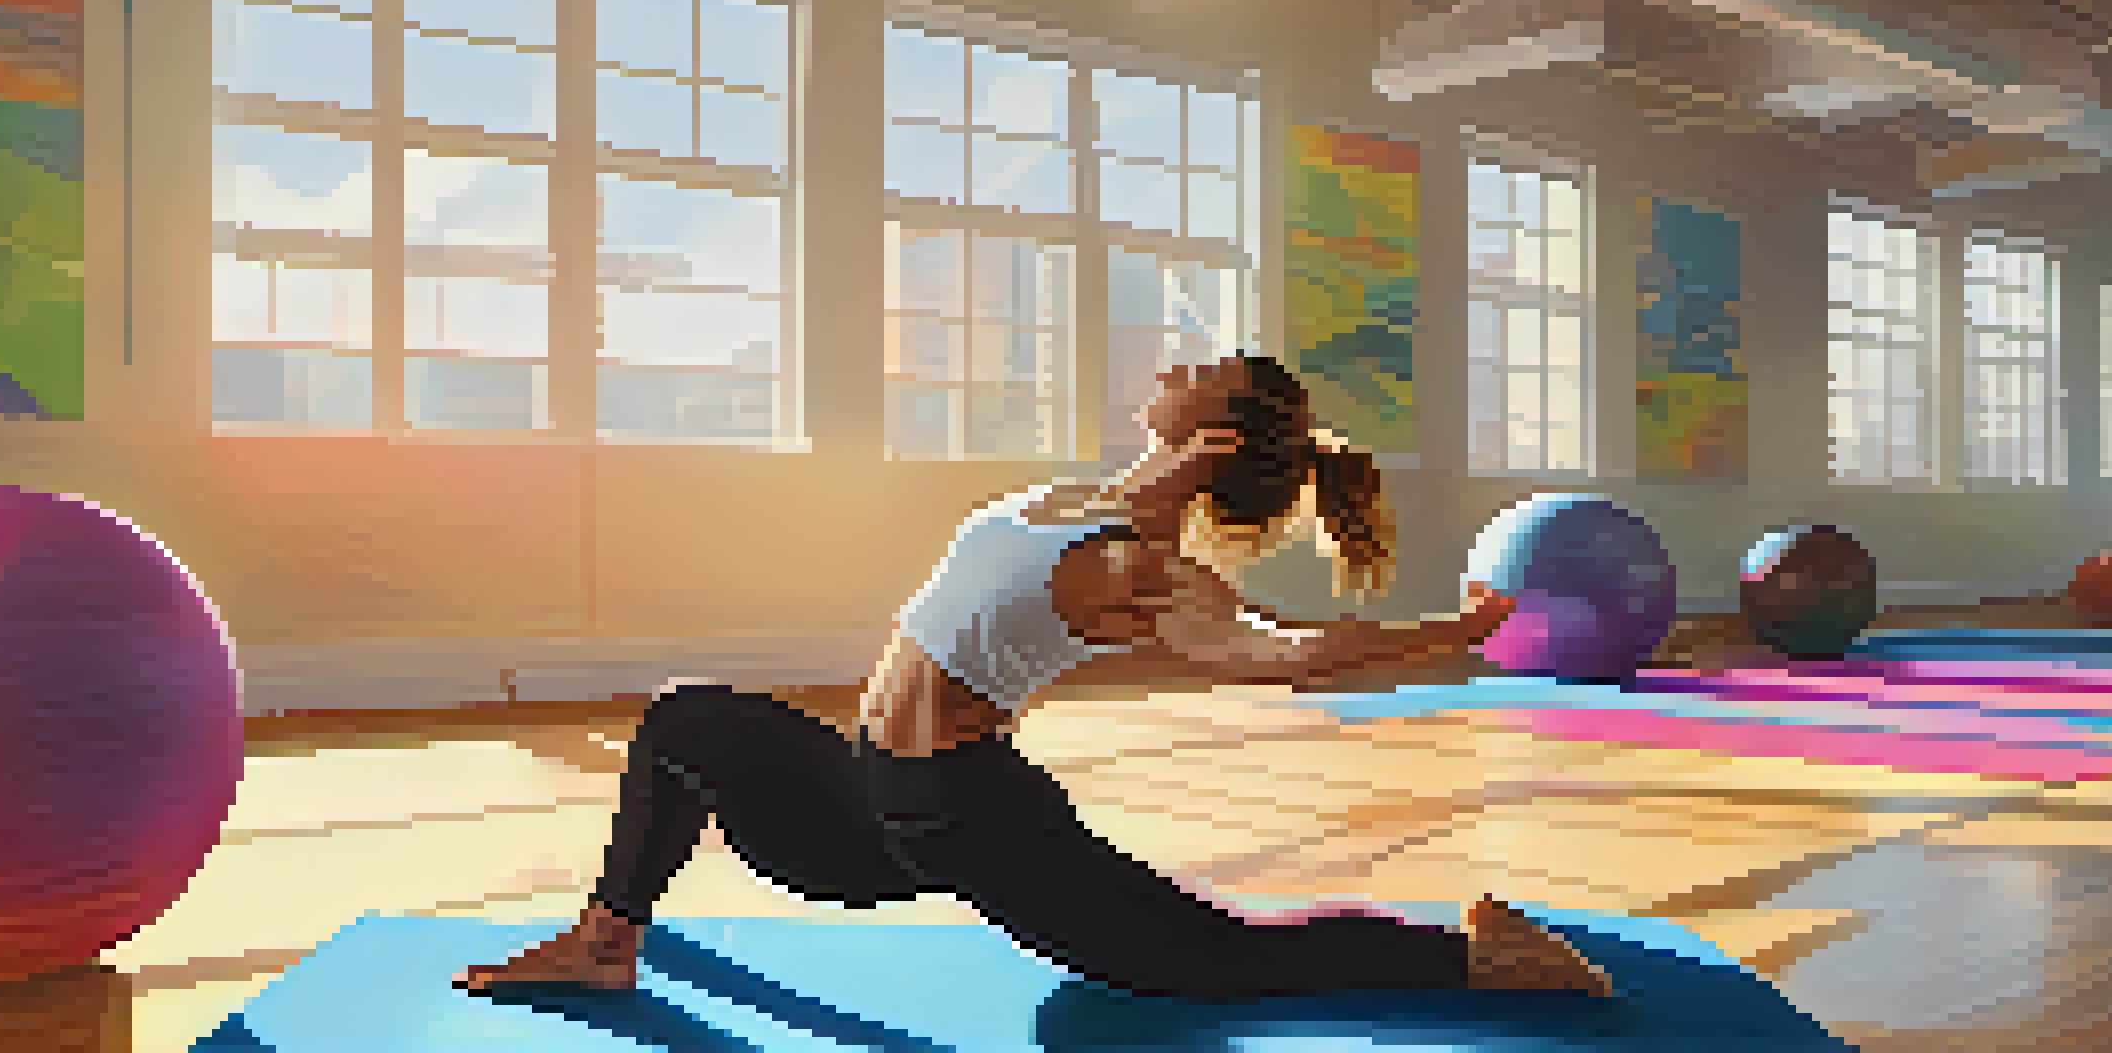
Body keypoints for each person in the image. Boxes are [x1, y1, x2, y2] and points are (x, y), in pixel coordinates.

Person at [456, 354, 1613, 1001]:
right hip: (867, 792)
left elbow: (1295, 654)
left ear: (1214, 438)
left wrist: (1456, 632)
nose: (1175, 362)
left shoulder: (1144, 574)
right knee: (684, 721)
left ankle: (1483, 958)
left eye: (1201, 370)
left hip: (967, 820)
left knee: (1218, 962)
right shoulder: (1083, 498)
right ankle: (604, 945)